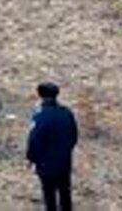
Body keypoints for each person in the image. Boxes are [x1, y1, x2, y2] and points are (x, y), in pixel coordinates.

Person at [26, 82, 78, 211]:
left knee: (50, 196)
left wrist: (32, 158)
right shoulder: (67, 113)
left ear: (41, 96)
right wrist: (66, 151)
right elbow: (74, 135)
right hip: (64, 162)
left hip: (46, 164)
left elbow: (34, 140)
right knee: (65, 193)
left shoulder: (40, 117)